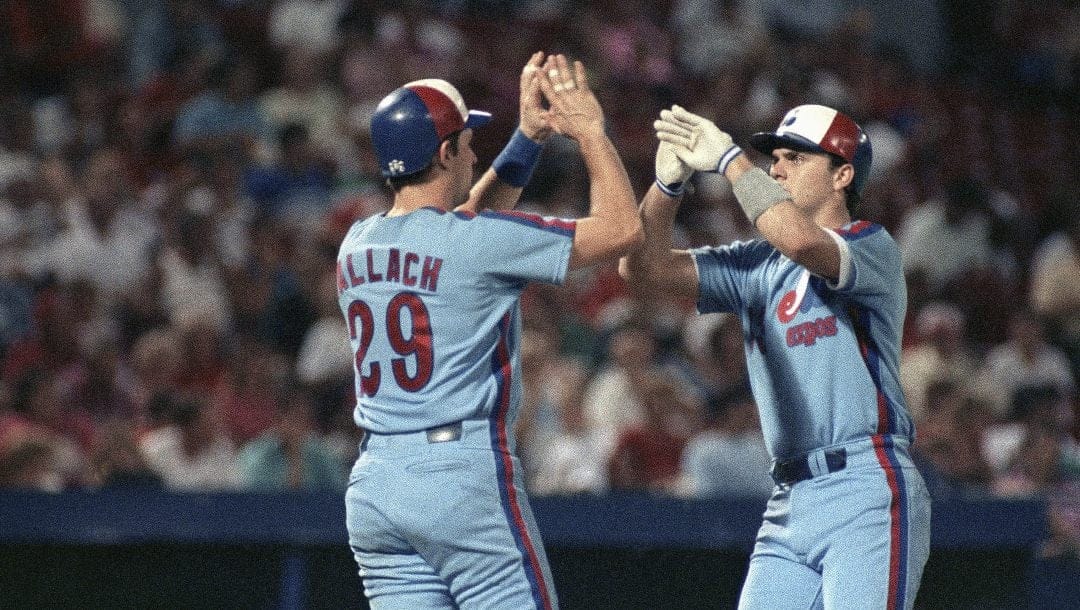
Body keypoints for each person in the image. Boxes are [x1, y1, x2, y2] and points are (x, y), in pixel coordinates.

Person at [339, 52, 642, 609]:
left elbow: (463, 229)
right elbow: (624, 229)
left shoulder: (356, 242)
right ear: (446, 152)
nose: (475, 151)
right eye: (467, 142)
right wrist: (592, 134)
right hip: (459, 474)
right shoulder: (474, 244)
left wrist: (528, 136)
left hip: (376, 484)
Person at [622, 103, 931, 609]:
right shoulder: (757, 265)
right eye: (774, 158)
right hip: (789, 497)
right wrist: (665, 188)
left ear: (843, 174)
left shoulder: (871, 244)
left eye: (795, 157)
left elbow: (803, 242)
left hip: (866, 485)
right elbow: (642, 270)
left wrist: (729, 159)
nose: (776, 167)